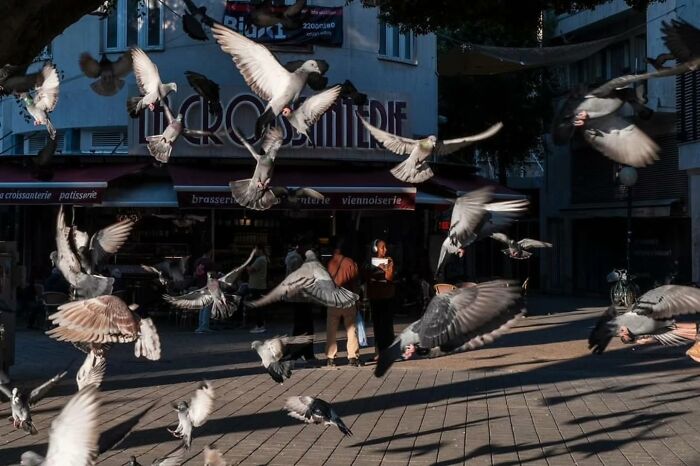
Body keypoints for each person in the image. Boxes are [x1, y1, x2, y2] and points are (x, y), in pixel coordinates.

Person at [326, 238, 362, 367]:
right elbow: (355, 282)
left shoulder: (329, 263)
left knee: (331, 329)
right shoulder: (350, 262)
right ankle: (353, 356)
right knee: (351, 329)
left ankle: (331, 357)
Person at [286, 242, 317, 364]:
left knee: (302, 326)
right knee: (304, 326)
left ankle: (301, 353)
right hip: (300, 297)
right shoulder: (296, 259)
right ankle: (299, 353)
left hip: (300, 298)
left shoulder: (293, 257)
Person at [365, 239, 395, 357]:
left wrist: (385, 268)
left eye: (385, 247)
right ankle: (378, 352)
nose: (385, 250)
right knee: (377, 325)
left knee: (387, 326)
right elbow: (367, 277)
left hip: (387, 296)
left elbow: (390, 277)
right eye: (382, 247)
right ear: (376, 249)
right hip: (375, 297)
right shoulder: (370, 262)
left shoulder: (389, 260)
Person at [247, 244, 269, 334]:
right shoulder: (263, 259)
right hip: (259, 285)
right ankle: (260, 324)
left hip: (256, 285)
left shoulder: (260, 259)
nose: (254, 251)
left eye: (255, 249)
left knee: (257, 307)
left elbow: (251, 270)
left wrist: (247, 267)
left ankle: (260, 326)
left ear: (260, 250)